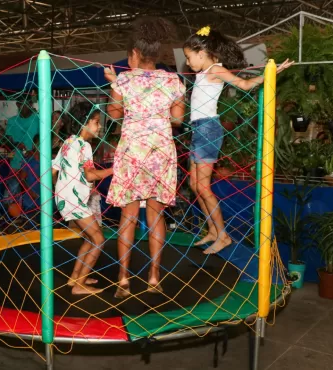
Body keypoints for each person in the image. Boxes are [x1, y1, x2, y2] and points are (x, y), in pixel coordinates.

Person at [183, 26, 293, 254]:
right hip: (198, 129)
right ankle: (213, 230)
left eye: (188, 57)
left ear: (201, 53)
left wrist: (271, 74)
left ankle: (223, 236)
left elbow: (243, 84)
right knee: (195, 185)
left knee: (203, 187)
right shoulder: (203, 72)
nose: (187, 62)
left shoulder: (215, 69)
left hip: (208, 130)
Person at [104, 17, 186, 298]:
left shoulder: (124, 79)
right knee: (156, 215)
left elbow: (113, 114)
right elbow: (178, 119)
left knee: (127, 216)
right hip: (161, 153)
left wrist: (116, 89)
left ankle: (123, 280)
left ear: (135, 54)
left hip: (132, 152)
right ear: (157, 55)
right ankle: (154, 278)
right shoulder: (173, 80)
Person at [52, 102, 113, 295]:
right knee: (98, 239)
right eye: (96, 122)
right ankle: (78, 286)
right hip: (74, 199)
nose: (99, 126)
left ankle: (75, 278)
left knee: (88, 238)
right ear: (84, 123)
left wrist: (60, 190)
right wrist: (113, 170)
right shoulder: (84, 145)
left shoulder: (69, 141)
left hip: (65, 197)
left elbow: (54, 170)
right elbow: (89, 175)